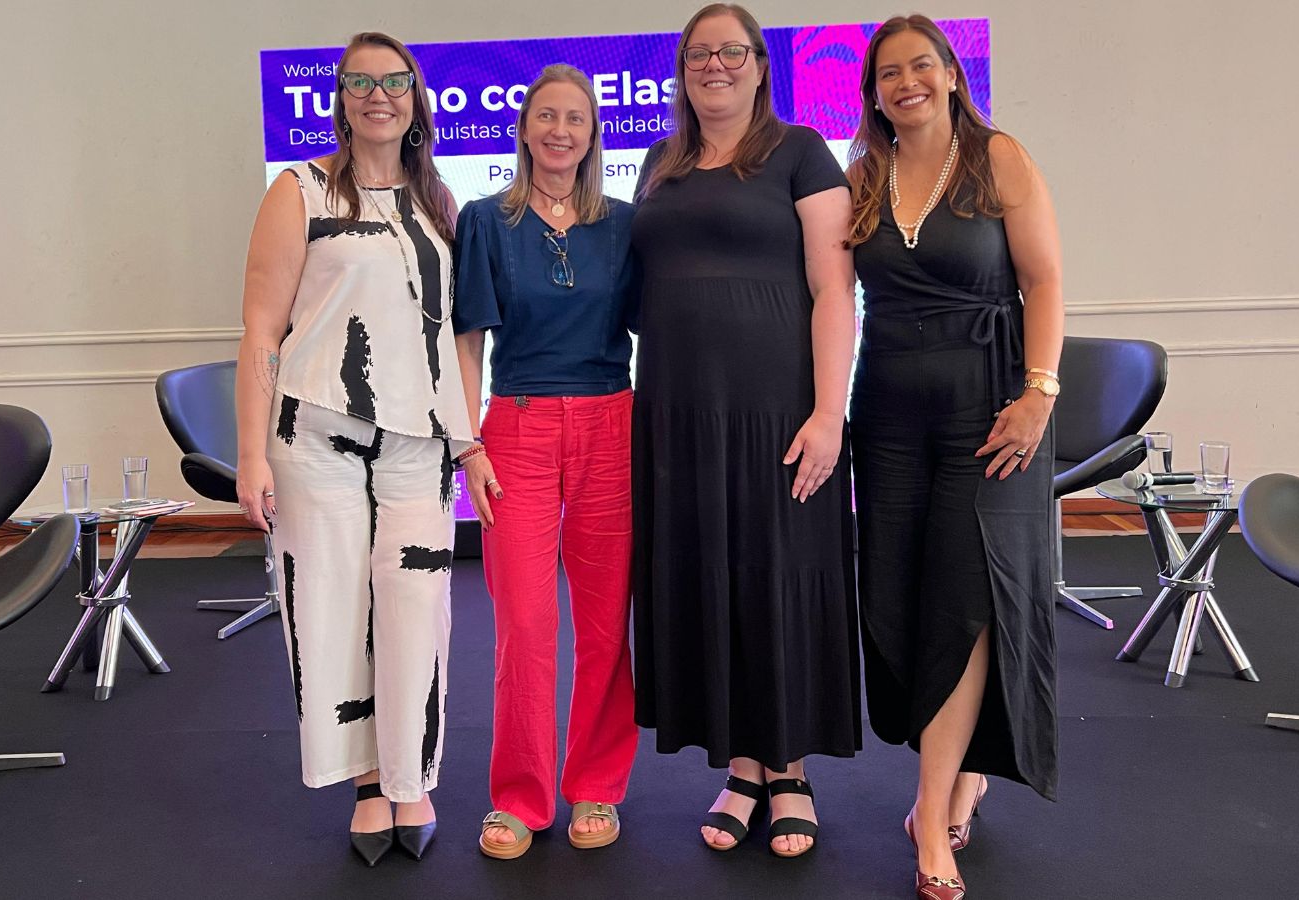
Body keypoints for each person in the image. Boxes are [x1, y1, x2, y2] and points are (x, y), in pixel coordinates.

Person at [233, 31, 473, 867]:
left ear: (416, 99)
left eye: (395, 81)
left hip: (419, 449)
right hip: (316, 441)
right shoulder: (299, 190)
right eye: (361, 82)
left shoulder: (438, 204)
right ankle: (369, 782)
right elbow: (262, 329)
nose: (379, 94)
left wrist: (467, 440)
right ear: (339, 98)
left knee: (417, 615)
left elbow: (453, 340)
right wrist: (251, 454)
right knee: (334, 614)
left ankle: (413, 776)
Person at [630, 2, 857, 859]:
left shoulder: (799, 151)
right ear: (682, 69)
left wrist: (829, 413)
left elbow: (835, 289)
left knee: (779, 571)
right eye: (698, 54)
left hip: (777, 409)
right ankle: (741, 767)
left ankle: (788, 768)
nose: (714, 66)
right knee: (709, 576)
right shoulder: (660, 159)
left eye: (731, 52)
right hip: (677, 411)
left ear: (761, 65)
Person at [845, 14, 1064, 899]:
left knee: (964, 602)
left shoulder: (996, 156)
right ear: (873, 91)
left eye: (921, 65)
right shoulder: (862, 177)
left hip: (989, 407)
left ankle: (931, 813)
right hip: (889, 410)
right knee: (896, 601)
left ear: (949, 73)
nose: (907, 83)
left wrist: (1039, 390)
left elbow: (1044, 280)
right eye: (889, 73)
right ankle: (963, 768)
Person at [451, 63, 639, 861]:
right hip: (517, 428)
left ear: (593, 135)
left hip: (612, 425)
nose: (562, 130)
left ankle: (595, 783)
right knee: (523, 624)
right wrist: (467, 443)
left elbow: (662, 330)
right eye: (547, 116)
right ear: (524, 128)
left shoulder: (625, 224)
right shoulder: (485, 220)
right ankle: (519, 797)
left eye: (577, 119)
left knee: (603, 626)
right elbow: (468, 340)